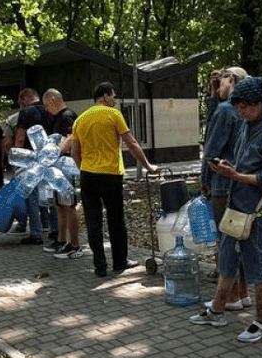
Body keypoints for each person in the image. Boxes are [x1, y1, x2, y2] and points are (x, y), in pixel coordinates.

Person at [188, 76, 262, 344]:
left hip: (255, 210)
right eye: (239, 106)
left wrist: (236, 176)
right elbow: (242, 161)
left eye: (246, 106)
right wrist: (227, 167)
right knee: (228, 261)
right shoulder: (247, 124)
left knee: (257, 265)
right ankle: (217, 310)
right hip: (236, 204)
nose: (241, 111)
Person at [71, 81, 159, 276]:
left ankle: (99, 266)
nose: (115, 101)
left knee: (93, 220)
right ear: (104, 96)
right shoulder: (113, 115)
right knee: (115, 219)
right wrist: (148, 166)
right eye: (113, 96)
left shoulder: (81, 119)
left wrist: (84, 168)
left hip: (88, 175)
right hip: (110, 174)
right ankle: (120, 262)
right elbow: (131, 143)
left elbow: (75, 153)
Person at [201, 67, 250, 307]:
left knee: (225, 238)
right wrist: (214, 94)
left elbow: (210, 150)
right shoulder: (247, 109)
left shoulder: (225, 110)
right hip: (241, 181)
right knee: (238, 236)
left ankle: (227, 298)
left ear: (231, 79)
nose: (218, 85)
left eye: (221, 81)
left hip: (221, 182)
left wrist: (205, 180)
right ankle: (243, 293)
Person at [42, 89, 82, 258]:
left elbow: (72, 138)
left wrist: (55, 152)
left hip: (66, 167)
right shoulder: (58, 117)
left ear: (53, 100)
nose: (45, 109)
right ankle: (61, 239)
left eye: (45, 105)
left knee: (69, 205)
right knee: (59, 205)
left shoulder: (67, 115)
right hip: (58, 167)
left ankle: (75, 245)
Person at [13, 87, 52, 246]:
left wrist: (16, 161)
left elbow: (20, 138)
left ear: (24, 99)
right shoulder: (49, 110)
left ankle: (36, 234)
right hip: (49, 158)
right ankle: (52, 229)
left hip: (31, 159)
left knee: (32, 197)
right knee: (49, 195)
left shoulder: (26, 112)